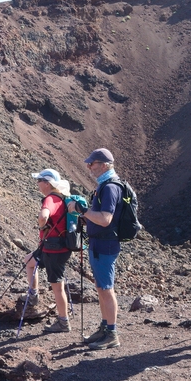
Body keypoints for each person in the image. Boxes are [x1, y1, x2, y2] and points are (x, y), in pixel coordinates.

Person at [69, 148, 124, 350]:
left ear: (104, 165)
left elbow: (105, 219)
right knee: (101, 287)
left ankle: (112, 333)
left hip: (105, 244)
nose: (89, 167)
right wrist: (87, 218)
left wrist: (82, 210)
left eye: (92, 163)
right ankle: (105, 328)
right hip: (101, 243)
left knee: (106, 289)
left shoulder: (109, 188)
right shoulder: (105, 185)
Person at [24, 169, 73, 333]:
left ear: (47, 183)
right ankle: (33, 295)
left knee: (57, 287)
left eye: (39, 181)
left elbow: (44, 216)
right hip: (56, 247)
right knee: (29, 261)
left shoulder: (50, 199)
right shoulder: (62, 198)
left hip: (54, 250)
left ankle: (63, 322)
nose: (37, 184)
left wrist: (41, 225)